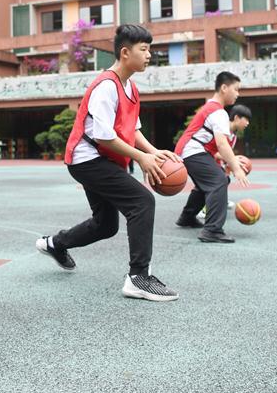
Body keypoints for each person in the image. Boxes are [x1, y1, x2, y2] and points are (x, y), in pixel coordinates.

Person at [36, 24, 181, 302]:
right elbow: (103, 137)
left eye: (150, 49)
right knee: (142, 202)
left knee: (106, 225)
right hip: (87, 159)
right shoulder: (106, 86)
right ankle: (138, 277)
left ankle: (54, 244)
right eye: (144, 49)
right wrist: (141, 158)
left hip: (102, 159)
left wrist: (153, 151)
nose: (150, 55)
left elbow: (132, 129)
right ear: (125, 53)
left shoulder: (131, 87)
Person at [174, 73, 250, 243]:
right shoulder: (218, 112)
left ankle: (187, 218)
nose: (238, 94)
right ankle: (212, 230)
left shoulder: (212, 108)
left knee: (205, 185)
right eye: (236, 89)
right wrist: (237, 169)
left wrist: (233, 161)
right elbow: (222, 144)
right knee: (219, 180)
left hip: (190, 150)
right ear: (224, 88)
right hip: (192, 150)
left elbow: (219, 147)